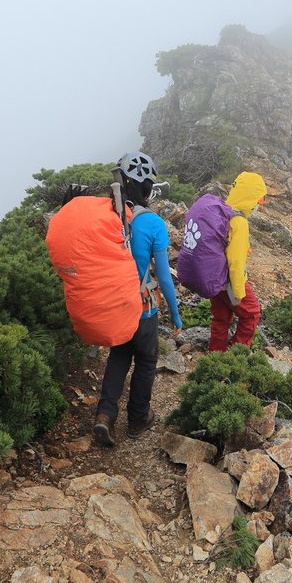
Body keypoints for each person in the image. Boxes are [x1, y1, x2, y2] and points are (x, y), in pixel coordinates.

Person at [93, 152, 183, 447]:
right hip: (143, 309)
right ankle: (137, 419)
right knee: (146, 360)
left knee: (119, 355)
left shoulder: (109, 216)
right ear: (146, 188)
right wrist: (176, 315)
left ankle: (105, 415)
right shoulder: (153, 224)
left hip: (115, 304)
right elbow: (165, 278)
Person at [208, 171, 267, 352]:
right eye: (259, 199)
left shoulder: (221, 211)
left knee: (221, 317)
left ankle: (215, 356)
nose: (259, 204)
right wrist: (239, 292)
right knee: (251, 314)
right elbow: (235, 260)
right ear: (251, 198)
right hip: (229, 281)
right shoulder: (239, 222)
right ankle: (236, 357)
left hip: (212, 276)